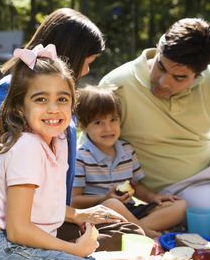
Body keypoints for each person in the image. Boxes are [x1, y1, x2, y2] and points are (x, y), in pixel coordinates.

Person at [0, 46, 149, 260]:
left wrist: (80, 215)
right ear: (21, 107)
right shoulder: (27, 147)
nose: (53, 108)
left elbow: (41, 206)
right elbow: (18, 230)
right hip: (10, 256)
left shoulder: (56, 142)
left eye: (62, 99)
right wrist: (74, 250)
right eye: (41, 99)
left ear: (73, 104)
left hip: (32, 250)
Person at [99, 17, 210, 208]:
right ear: (158, 50)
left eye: (179, 77)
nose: (163, 82)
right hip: (165, 192)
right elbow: (90, 147)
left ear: (198, 75)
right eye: (161, 67)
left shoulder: (207, 82)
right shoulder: (117, 85)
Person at [72, 85, 186, 238]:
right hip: (102, 213)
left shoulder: (126, 150)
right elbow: (74, 201)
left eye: (113, 120)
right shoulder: (81, 157)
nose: (108, 128)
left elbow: (136, 186)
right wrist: (105, 198)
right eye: (98, 122)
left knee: (180, 206)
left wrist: (153, 197)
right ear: (83, 126)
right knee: (113, 204)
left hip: (130, 211)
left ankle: (137, 230)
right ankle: (147, 233)